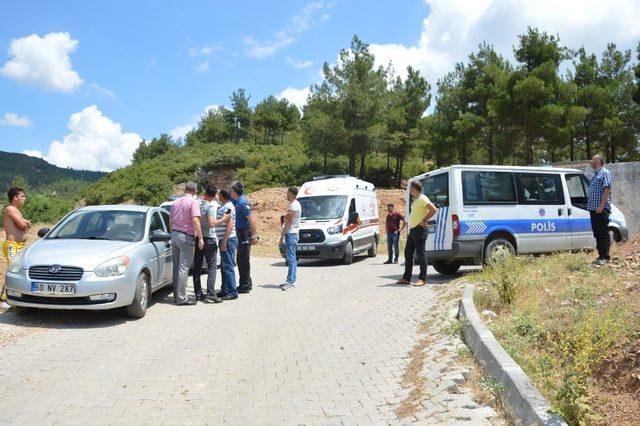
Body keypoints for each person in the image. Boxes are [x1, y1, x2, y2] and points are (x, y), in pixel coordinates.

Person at [170, 182, 204, 305]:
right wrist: (200, 238)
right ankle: (181, 298)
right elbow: (195, 220)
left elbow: (171, 220)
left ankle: (176, 296)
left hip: (174, 235)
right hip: (186, 237)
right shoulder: (193, 202)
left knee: (176, 267)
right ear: (195, 191)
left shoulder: (175, 202)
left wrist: (172, 233)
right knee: (184, 268)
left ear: (185, 190)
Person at [397, 181, 437, 287]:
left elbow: (434, 209)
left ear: (415, 189)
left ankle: (422, 279)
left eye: (411, 189)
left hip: (420, 230)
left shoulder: (423, 198)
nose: (410, 191)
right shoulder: (416, 200)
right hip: (413, 230)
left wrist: (424, 220)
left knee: (421, 254)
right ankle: (406, 278)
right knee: (408, 253)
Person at [2, 187, 31, 310]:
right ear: (15, 198)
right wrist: (26, 223)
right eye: (22, 196)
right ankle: (4, 300)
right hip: (12, 246)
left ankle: (9, 297)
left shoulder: (16, 210)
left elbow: (24, 224)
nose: (24, 199)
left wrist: (25, 223)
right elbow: (23, 225)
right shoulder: (10, 209)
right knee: (13, 271)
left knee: (18, 271)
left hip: (20, 246)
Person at [192, 185, 222, 303]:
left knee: (197, 266)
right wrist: (223, 219)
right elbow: (211, 223)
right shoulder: (211, 207)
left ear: (204, 193)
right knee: (212, 266)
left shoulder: (198, 204)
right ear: (214, 196)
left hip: (199, 237)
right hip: (209, 238)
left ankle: (198, 293)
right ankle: (210, 292)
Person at [230, 181, 258, 294]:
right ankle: (246, 283)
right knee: (240, 259)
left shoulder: (242, 203)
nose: (230, 191)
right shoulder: (235, 200)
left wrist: (254, 235)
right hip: (239, 232)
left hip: (244, 232)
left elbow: (251, 219)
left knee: (243, 259)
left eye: (231, 190)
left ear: (235, 191)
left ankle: (245, 285)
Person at [587, 154, 613, 266]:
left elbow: (607, 189)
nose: (591, 161)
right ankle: (600, 255)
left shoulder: (605, 172)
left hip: (600, 209)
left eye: (593, 160)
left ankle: (605, 257)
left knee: (603, 233)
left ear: (598, 161)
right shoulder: (594, 175)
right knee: (597, 233)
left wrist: (602, 206)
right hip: (593, 209)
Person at [215, 188, 239, 300]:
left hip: (228, 240)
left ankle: (232, 291)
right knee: (224, 266)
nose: (218, 196)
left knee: (228, 266)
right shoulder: (225, 205)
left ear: (223, 197)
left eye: (219, 195)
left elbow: (229, 225)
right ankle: (225, 289)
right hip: (224, 239)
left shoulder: (229, 207)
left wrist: (224, 241)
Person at [280, 187, 301, 291]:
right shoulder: (293, 204)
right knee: (291, 258)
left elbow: (288, 222)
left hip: (291, 234)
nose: (287, 194)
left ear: (291, 193)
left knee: (291, 258)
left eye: (288, 193)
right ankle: (290, 280)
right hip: (291, 234)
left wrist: (282, 235)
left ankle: (291, 281)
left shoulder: (294, 205)